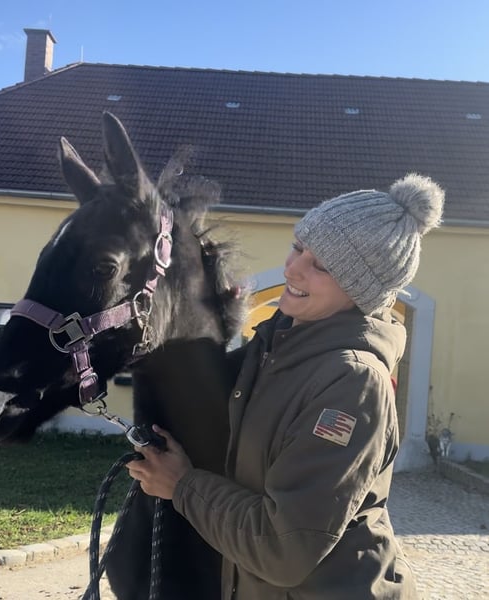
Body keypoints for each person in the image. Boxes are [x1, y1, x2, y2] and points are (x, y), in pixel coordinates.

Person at [127, 173, 444, 599]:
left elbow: (284, 548)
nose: (293, 268)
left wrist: (181, 485)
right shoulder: (278, 342)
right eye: (298, 247)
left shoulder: (351, 381)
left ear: (361, 291)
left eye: (322, 266)